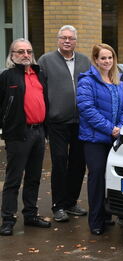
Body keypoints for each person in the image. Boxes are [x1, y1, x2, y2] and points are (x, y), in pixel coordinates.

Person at [38, 25, 91, 222]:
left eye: (71, 38)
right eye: (64, 38)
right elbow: (41, 90)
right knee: (60, 161)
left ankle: (71, 202)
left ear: (76, 41)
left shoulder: (85, 61)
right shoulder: (46, 60)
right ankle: (58, 205)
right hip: (57, 122)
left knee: (78, 163)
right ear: (58, 40)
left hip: (81, 121)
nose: (67, 41)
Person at [77, 44, 123, 235]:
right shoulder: (87, 81)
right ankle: (96, 221)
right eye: (103, 58)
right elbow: (87, 109)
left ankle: (107, 215)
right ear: (95, 60)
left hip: (114, 138)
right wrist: (111, 128)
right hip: (94, 140)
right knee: (97, 177)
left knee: (112, 178)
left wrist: (122, 127)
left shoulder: (118, 80)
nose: (107, 61)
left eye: (110, 58)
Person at [0, 39, 51, 236]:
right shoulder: (7, 77)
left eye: (28, 51)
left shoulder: (39, 74)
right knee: (13, 179)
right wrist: (7, 127)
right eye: (20, 51)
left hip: (38, 133)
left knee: (34, 177)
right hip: (18, 134)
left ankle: (30, 214)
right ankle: (8, 219)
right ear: (12, 55)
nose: (25, 54)